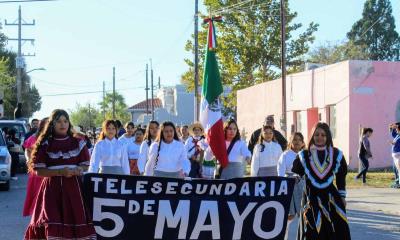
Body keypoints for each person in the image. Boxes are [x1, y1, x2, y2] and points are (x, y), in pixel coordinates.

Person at [24, 109, 96, 240]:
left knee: (75, 219)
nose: (63, 124)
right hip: (52, 189)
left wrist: (78, 170)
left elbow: (86, 165)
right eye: (58, 121)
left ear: (69, 123)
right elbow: (39, 171)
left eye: (65, 121)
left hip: (74, 188)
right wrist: (60, 172)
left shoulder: (78, 142)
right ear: (52, 124)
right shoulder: (45, 144)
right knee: (52, 221)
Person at [292, 122, 350, 240]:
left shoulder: (336, 154)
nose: (320, 137)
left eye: (323, 135)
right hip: (310, 198)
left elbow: (340, 177)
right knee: (312, 231)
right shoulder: (303, 155)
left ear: (328, 136)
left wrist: (342, 196)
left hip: (331, 198)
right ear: (312, 136)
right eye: (316, 134)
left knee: (336, 229)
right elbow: (295, 176)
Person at [277, 132, 306, 239]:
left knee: (305, 214)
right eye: (294, 139)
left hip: (303, 186)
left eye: (299, 139)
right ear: (290, 142)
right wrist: (284, 183)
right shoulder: (285, 155)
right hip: (289, 186)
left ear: (303, 142)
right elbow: (280, 172)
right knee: (290, 215)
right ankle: (284, 236)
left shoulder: (306, 155)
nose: (297, 142)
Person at [22, 117, 48, 217]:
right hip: (37, 172)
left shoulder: (55, 137)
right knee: (37, 197)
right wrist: (29, 160)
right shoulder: (34, 137)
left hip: (51, 172)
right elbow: (27, 149)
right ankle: (37, 218)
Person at [389, 123, 400, 188]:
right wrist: (391, 128)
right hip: (395, 156)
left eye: (396, 129)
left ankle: (398, 182)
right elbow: (393, 134)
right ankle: (397, 182)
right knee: (395, 169)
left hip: (398, 155)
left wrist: (393, 143)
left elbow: (397, 143)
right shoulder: (397, 135)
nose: (396, 130)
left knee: (398, 170)